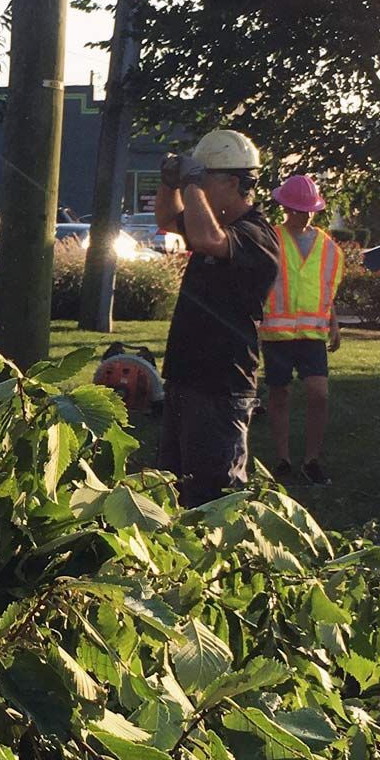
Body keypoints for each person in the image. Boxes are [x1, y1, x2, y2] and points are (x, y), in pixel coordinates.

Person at [154, 129, 280, 506]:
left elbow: (209, 239)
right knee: (172, 493)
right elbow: (166, 218)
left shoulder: (255, 234)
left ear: (231, 182)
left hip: (221, 388)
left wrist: (190, 184)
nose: (199, 189)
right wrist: (170, 182)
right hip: (186, 379)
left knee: (214, 503)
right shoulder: (210, 223)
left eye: (205, 179)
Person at [260, 173, 343, 486]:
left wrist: (334, 322)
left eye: (308, 209)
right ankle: (283, 459)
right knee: (279, 394)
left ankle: (312, 460)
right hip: (277, 334)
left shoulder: (327, 247)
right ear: (286, 208)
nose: (303, 214)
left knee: (318, 395)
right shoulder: (271, 239)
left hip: (312, 335)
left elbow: (325, 289)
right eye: (297, 209)